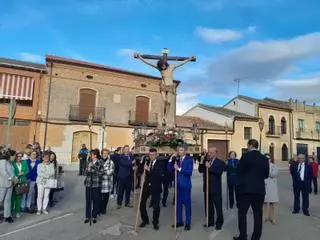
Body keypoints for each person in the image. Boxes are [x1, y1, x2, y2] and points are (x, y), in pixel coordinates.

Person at [234, 139, 269, 240]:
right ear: (257, 146)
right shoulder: (264, 158)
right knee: (258, 214)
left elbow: (239, 170)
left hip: (246, 190)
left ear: (249, 146)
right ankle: (256, 237)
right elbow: (266, 175)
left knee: (242, 213)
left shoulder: (245, 156)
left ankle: (243, 236)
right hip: (259, 190)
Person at [168, 144, 194, 231]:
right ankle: (179, 221)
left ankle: (188, 223)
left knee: (187, 205)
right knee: (178, 204)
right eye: (179, 150)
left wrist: (179, 169)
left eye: (181, 150)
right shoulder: (177, 159)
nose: (180, 152)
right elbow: (169, 169)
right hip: (177, 186)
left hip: (185, 186)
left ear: (185, 151)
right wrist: (171, 158)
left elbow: (189, 172)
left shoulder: (189, 159)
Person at [199, 147, 225, 230]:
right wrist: (201, 161)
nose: (209, 154)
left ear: (215, 153)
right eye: (208, 152)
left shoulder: (220, 162)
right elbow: (200, 170)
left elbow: (219, 172)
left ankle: (219, 222)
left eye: (210, 152)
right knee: (208, 206)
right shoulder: (206, 161)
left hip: (215, 188)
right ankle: (210, 221)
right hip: (207, 188)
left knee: (218, 206)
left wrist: (209, 167)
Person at [139, 148, 165, 230]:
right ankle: (145, 220)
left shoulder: (160, 163)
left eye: (153, 155)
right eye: (150, 155)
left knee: (156, 206)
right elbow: (141, 170)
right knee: (142, 204)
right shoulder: (147, 162)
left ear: (156, 155)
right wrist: (140, 164)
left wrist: (149, 169)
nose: (151, 156)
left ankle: (155, 222)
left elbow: (159, 174)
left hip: (156, 186)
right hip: (146, 186)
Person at [84, 149, 104, 223]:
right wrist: (88, 168)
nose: (90, 155)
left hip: (96, 184)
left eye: (91, 154)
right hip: (88, 184)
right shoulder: (89, 162)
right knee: (88, 201)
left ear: (95, 155)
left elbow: (101, 173)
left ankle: (94, 216)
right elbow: (85, 173)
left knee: (95, 201)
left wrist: (93, 169)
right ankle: (87, 216)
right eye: (90, 154)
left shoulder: (100, 162)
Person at [0, 146, 18, 223]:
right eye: (14, 156)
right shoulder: (2, 161)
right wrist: (12, 178)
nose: (15, 157)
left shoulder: (10, 163)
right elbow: (3, 172)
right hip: (3, 184)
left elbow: (12, 173)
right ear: (10, 155)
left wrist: (15, 178)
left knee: (8, 200)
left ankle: (7, 216)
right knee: (0, 200)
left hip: (10, 184)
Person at [11, 152, 29, 218]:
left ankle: (17, 212)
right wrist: (17, 175)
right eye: (18, 156)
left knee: (19, 198)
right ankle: (11, 211)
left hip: (22, 182)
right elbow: (10, 171)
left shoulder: (24, 162)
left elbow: (27, 170)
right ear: (16, 156)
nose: (19, 158)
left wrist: (23, 173)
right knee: (12, 198)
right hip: (14, 182)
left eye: (20, 156)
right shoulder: (12, 163)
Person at [263, 153, 279, 224]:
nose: (267, 160)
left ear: (270, 159)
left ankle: (273, 218)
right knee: (264, 203)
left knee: (273, 203)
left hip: (272, 186)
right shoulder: (261, 166)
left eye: (268, 159)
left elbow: (273, 174)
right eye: (265, 159)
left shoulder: (274, 166)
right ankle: (264, 217)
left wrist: (266, 171)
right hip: (264, 186)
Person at [100, 149, 115, 215]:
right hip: (99, 183)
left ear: (108, 154)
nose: (105, 154)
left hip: (107, 182)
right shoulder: (99, 161)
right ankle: (99, 208)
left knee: (106, 197)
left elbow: (111, 171)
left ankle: (103, 209)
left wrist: (103, 171)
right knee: (99, 197)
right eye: (104, 153)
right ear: (102, 154)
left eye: (106, 153)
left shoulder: (111, 162)